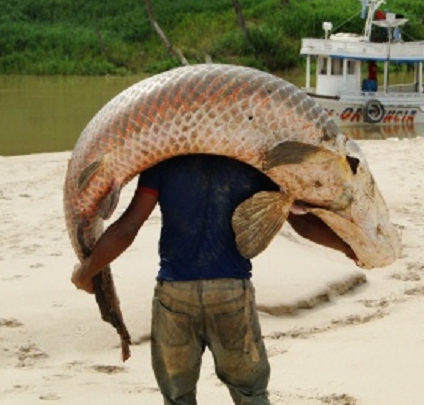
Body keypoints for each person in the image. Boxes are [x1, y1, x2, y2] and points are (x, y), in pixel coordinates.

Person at [71, 154, 355, 405]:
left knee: (177, 396)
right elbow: (302, 222)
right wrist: (349, 247)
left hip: (175, 295)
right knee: (250, 393)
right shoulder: (254, 164)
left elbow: (129, 225)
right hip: (231, 293)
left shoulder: (164, 162)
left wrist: (87, 272)